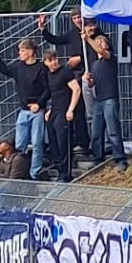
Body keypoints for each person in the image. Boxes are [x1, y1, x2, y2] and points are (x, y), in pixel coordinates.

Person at [0, 40, 49, 164]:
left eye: (23, 51)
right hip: (23, 110)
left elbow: (47, 89)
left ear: (30, 52)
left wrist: (39, 104)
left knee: (37, 144)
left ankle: (35, 172)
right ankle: (20, 168)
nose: (20, 53)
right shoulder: (18, 67)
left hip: (37, 111)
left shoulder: (41, 68)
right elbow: (5, 69)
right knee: (19, 143)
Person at [82, 33, 125, 169]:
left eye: (102, 42)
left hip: (110, 98)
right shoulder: (94, 64)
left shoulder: (110, 58)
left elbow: (101, 51)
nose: (99, 44)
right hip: (98, 99)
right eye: (97, 42)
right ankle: (97, 157)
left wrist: (88, 39)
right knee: (96, 132)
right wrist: (88, 81)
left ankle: (120, 158)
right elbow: (92, 84)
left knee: (113, 130)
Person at [41, 50, 79, 183]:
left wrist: (71, 110)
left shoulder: (65, 72)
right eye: (50, 60)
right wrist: (50, 110)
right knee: (53, 140)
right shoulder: (49, 75)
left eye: (55, 59)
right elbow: (53, 93)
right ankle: (59, 170)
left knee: (63, 141)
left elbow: (76, 89)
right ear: (46, 62)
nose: (54, 62)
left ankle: (66, 173)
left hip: (64, 110)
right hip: (55, 109)